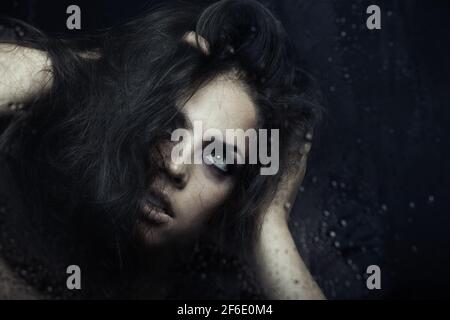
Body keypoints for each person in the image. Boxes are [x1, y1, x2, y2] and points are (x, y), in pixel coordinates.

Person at [0, 0, 324, 299]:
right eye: (169, 126)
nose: (177, 167)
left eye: (219, 159)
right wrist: (111, 69)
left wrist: (268, 225)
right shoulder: (16, 197)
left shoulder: (210, 296)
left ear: (233, 199)